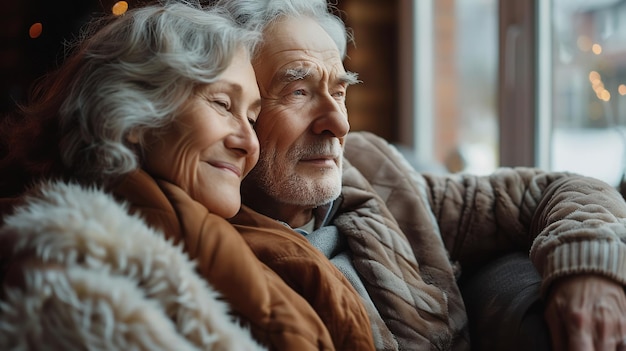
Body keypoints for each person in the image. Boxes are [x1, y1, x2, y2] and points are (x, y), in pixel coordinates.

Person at [213, 0, 626, 350]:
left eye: (339, 92)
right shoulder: (200, 239)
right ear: (235, 107)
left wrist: (588, 266)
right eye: (298, 91)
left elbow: (555, 189)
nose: (338, 123)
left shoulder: (374, 171)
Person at [0, 2, 375, 350]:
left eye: (252, 118)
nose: (250, 142)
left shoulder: (242, 238)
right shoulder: (68, 262)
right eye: (223, 105)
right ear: (131, 114)